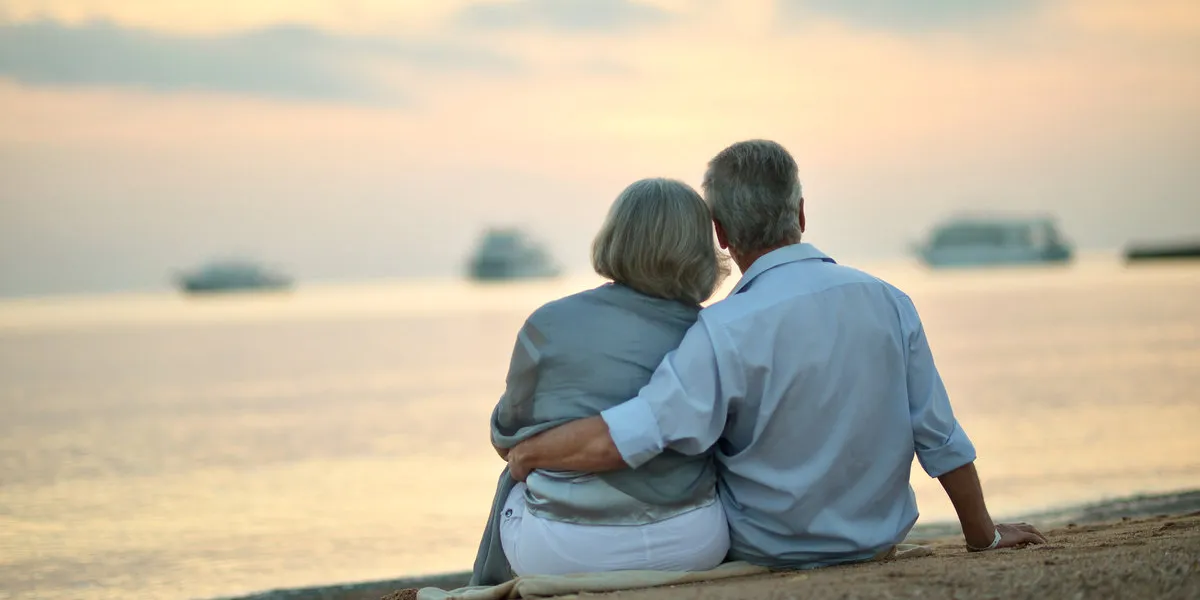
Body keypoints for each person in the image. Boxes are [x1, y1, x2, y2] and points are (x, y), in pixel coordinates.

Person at [506, 140, 1047, 569]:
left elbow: (634, 434)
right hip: (877, 541)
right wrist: (984, 535)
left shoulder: (722, 328)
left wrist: (530, 454)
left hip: (770, 550)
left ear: (720, 233)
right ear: (802, 213)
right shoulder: (889, 301)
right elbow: (938, 434)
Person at [470, 178, 731, 586]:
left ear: (614, 238)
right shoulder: (714, 331)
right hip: (694, 544)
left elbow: (505, 441)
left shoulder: (548, 324)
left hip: (564, 551)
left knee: (516, 477)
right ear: (699, 251)